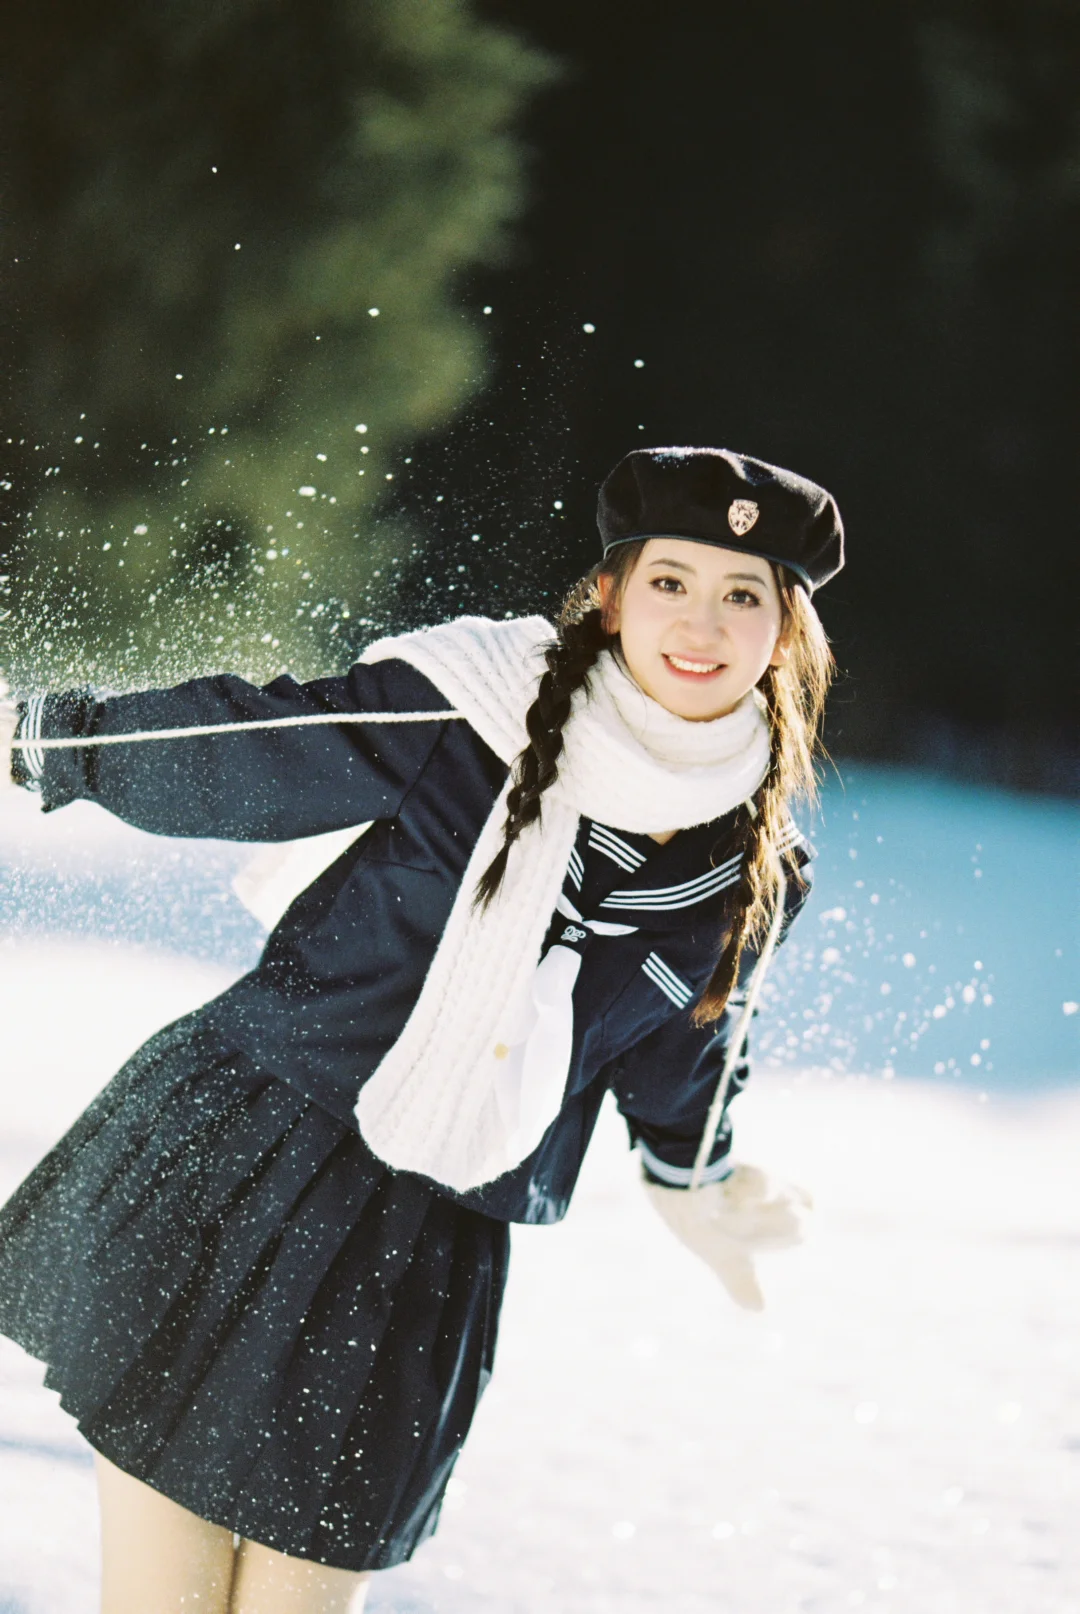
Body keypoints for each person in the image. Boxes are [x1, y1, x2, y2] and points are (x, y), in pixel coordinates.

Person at [0, 445, 842, 1614]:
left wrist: (698, 1182)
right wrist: (45, 740)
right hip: (251, 1155)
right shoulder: (471, 703)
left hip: (426, 1252)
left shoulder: (749, 869)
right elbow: (249, 750)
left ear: (783, 631)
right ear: (610, 593)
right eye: (672, 581)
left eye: (743, 595)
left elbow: (681, 1057)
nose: (702, 622)